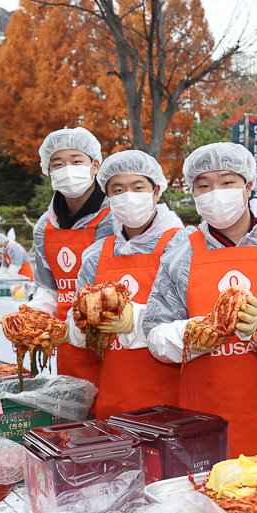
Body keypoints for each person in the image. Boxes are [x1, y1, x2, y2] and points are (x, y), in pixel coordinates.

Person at [143, 142, 257, 456]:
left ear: (248, 186)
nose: (215, 192)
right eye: (203, 185)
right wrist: (193, 335)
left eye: (226, 181)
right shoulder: (181, 254)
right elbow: (155, 333)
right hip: (205, 419)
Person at [66, 150, 187, 419]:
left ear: (156, 191)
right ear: (108, 198)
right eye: (117, 190)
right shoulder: (97, 254)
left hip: (170, 400)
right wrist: (78, 323)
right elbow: (76, 322)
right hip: (113, 395)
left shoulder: (181, 246)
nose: (128, 196)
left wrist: (138, 319)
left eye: (138, 187)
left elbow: (194, 320)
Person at [27, 127, 114, 384]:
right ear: (48, 171)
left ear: (95, 165)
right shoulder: (45, 226)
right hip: (66, 341)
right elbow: (49, 288)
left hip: (114, 338)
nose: (67, 169)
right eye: (58, 163)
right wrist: (35, 312)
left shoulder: (117, 217)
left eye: (76, 161)